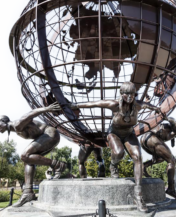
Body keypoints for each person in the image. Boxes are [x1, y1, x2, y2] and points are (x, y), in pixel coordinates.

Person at [63, 81, 162, 213]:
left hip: (129, 134)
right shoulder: (114, 105)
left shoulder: (137, 105)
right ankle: (113, 164)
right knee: (119, 153)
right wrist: (74, 105)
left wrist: (157, 109)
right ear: (121, 94)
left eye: (132, 93)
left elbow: (148, 105)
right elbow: (95, 103)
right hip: (114, 133)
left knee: (138, 157)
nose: (130, 96)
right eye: (126, 93)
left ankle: (138, 196)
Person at [0, 103, 66, 207]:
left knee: (24, 155)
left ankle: (57, 165)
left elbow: (30, 114)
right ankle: (28, 193)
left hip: (50, 134)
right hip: (46, 136)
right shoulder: (16, 129)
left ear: (4, 122)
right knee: (28, 160)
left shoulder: (17, 124)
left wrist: (47, 108)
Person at [140, 115, 176, 200]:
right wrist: (167, 118)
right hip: (152, 139)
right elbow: (174, 121)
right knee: (172, 160)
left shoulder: (172, 132)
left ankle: (144, 165)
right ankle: (171, 189)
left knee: (160, 158)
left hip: (144, 140)